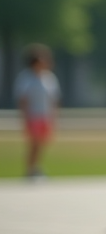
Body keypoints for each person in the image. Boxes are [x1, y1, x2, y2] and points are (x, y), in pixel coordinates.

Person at [15, 44, 60, 180]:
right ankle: (30, 170)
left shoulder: (49, 78)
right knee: (33, 144)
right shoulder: (26, 78)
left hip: (45, 115)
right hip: (33, 115)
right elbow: (23, 100)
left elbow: (54, 99)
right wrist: (24, 118)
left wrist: (54, 117)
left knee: (41, 144)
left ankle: (37, 168)